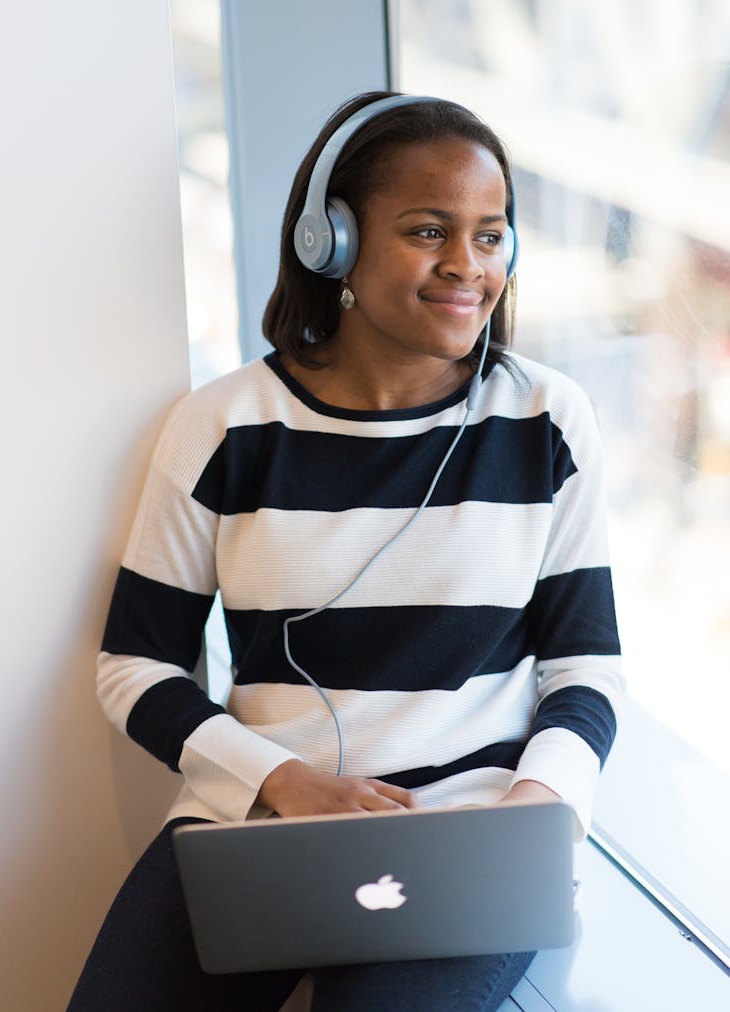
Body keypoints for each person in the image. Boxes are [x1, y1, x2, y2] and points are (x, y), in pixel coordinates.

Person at [67, 91, 624, 1011]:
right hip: (258, 818)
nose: (468, 267)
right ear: (331, 241)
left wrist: (539, 805)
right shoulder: (227, 424)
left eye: (491, 236)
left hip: (468, 831)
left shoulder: (546, 420)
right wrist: (280, 781)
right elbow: (135, 665)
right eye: (428, 230)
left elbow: (586, 667)